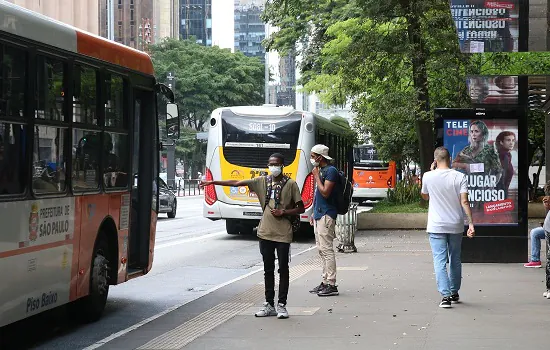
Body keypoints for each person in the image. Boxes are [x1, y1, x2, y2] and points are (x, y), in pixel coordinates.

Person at [200, 153, 304, 318]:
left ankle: (282, 305)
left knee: (283, 270)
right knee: (267, 270)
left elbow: (301, 208)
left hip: (283, 234)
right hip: (265, 233)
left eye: (276, 164)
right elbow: (235, 182)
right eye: (270, 164)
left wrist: (284, 212)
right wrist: (212, 182)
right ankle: (269, 304)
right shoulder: (261, 181)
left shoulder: (291, 184)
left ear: (282, 165)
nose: (273, 167)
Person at [421, 147, 475, 308]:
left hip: (436, 225)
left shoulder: (428, 176)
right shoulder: (459, 177)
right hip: (455, 224)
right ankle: (454, 292)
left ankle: (445, 297)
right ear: (450, 159)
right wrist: (471, 223)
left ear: (435, 160)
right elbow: (464, 202)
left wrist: (431, 172)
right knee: (455, 259)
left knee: (439, 260)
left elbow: (424, 196)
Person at [308, 144, 340, 297]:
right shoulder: (321, 171)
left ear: (320, 157)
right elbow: (317, 196)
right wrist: (313, 213)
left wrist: (315, 176)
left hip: (327, 215)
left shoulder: (330, 171)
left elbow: (325, 192)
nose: (312, 159)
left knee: (327, 250)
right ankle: (325, 281)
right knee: (321, 250)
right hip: (319, 214)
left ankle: (331, 283)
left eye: (313, 156)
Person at [495, 131, 516, 197]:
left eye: (513, 140)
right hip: (499, 192)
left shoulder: (507, 154)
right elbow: (501, 176)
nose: (511, 143)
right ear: (501, 142)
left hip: (501, 192)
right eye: (508, 140)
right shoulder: (503, 155)